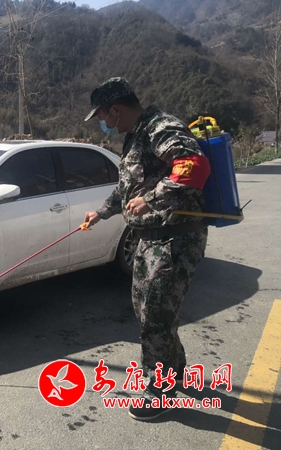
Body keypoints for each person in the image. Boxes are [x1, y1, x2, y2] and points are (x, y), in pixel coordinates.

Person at [83, 77, 211, 421]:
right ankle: (176, 369)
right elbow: (128, 188)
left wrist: (152, 198)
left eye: (102, 116)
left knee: (155, 315)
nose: (102, 123)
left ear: (115, 109)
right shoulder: (136, 135)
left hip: (175, 239)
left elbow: (194, 166)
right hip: (150, 239)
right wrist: (101, 212)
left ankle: (159, 390)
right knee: (149, 312)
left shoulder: (160, 128)